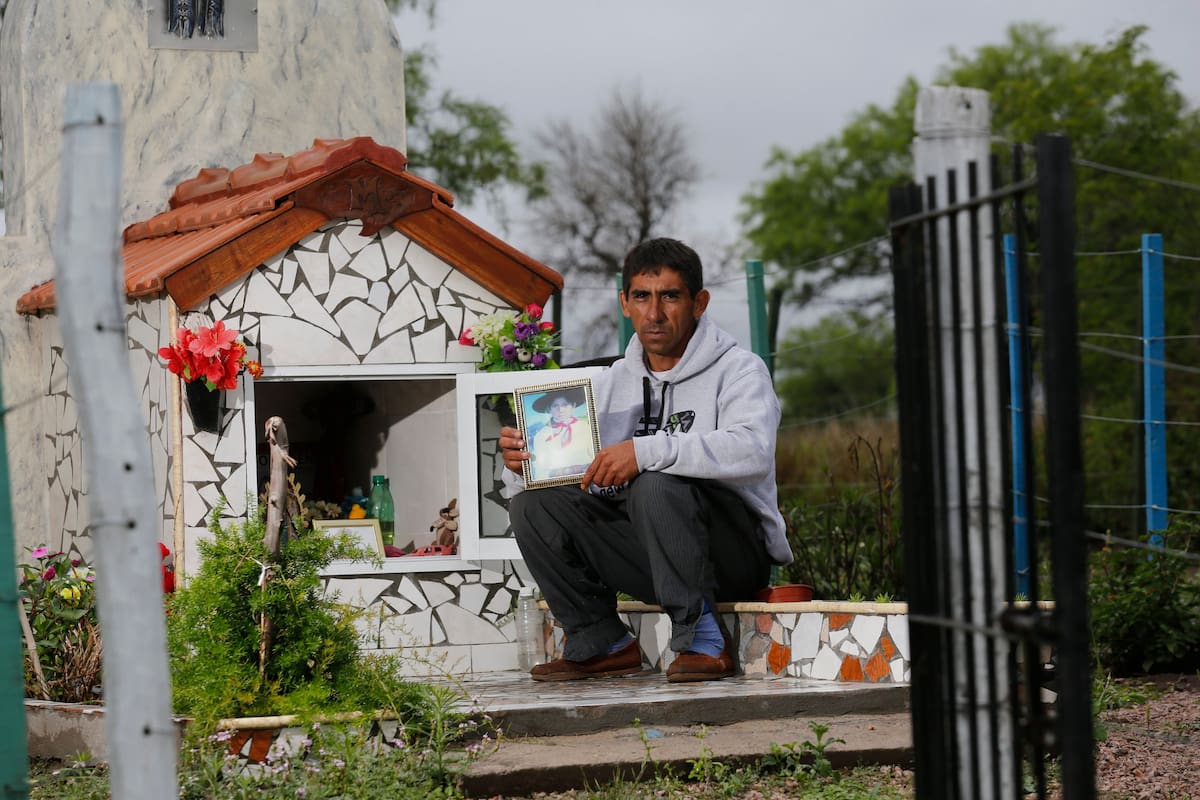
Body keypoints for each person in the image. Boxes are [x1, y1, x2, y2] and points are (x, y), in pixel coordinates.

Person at [499, 238, 792, 683]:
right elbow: (579, 480)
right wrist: (523, 466)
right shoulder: (607, 383)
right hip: (653, 555)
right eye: (642, 297)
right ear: (624, 303)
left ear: (699, 302)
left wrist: (645, 450)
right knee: (532, 506)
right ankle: (600, 641)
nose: (654, 313)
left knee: (655, 480)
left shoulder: (740, 370)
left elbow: (751, 452)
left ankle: (703, 640)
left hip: (730, 554)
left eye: (670, 296)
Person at [526, 386, 595, 481]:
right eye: (555, 406)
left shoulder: (585, 427)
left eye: (565, 405)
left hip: (588, 480)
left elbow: (595, 458)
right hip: (556, 487)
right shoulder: (541, 436)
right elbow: (540, 472)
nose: (561, 410)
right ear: (549, 408)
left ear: (573, 405)